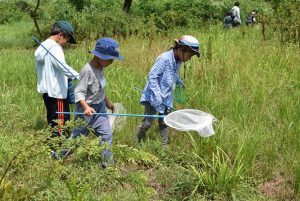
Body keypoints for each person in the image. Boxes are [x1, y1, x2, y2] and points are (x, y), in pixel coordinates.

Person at [136, 35, 200, 146]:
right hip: (153, 96)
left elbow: (173, 74)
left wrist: (179, 82)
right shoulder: (164, 59)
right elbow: (152, 76)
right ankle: (136, 143)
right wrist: (157, 95)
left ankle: (163, 148)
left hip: (166, 97)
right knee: (147, 123)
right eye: (189, 55)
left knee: (165, 122)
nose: (189, 58)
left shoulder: (178, 60)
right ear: (181, 49)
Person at [72, 37, 124, 168]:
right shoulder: (87, 70)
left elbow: (100, 88)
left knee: (106, 135)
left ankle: (108, 165)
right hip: (86, 110)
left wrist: (108, 102)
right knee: (77, 138)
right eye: (110, 59)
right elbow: (78, 93)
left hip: (100, 107)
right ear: (100, 56)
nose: (112, 62)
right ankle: (59, 155)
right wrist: (86, 108)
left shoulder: (101, 67)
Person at [34, 21, 79, 136]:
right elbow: (62, 66)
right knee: (61, 123)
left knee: (54, 120)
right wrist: (79, 76)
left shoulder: (43, 46)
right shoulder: (55, 47)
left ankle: (54, 148)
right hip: (57, 92)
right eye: (67, 39)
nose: (66, 43)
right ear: (61, 35)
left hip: (48, 92)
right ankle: (58, 150)